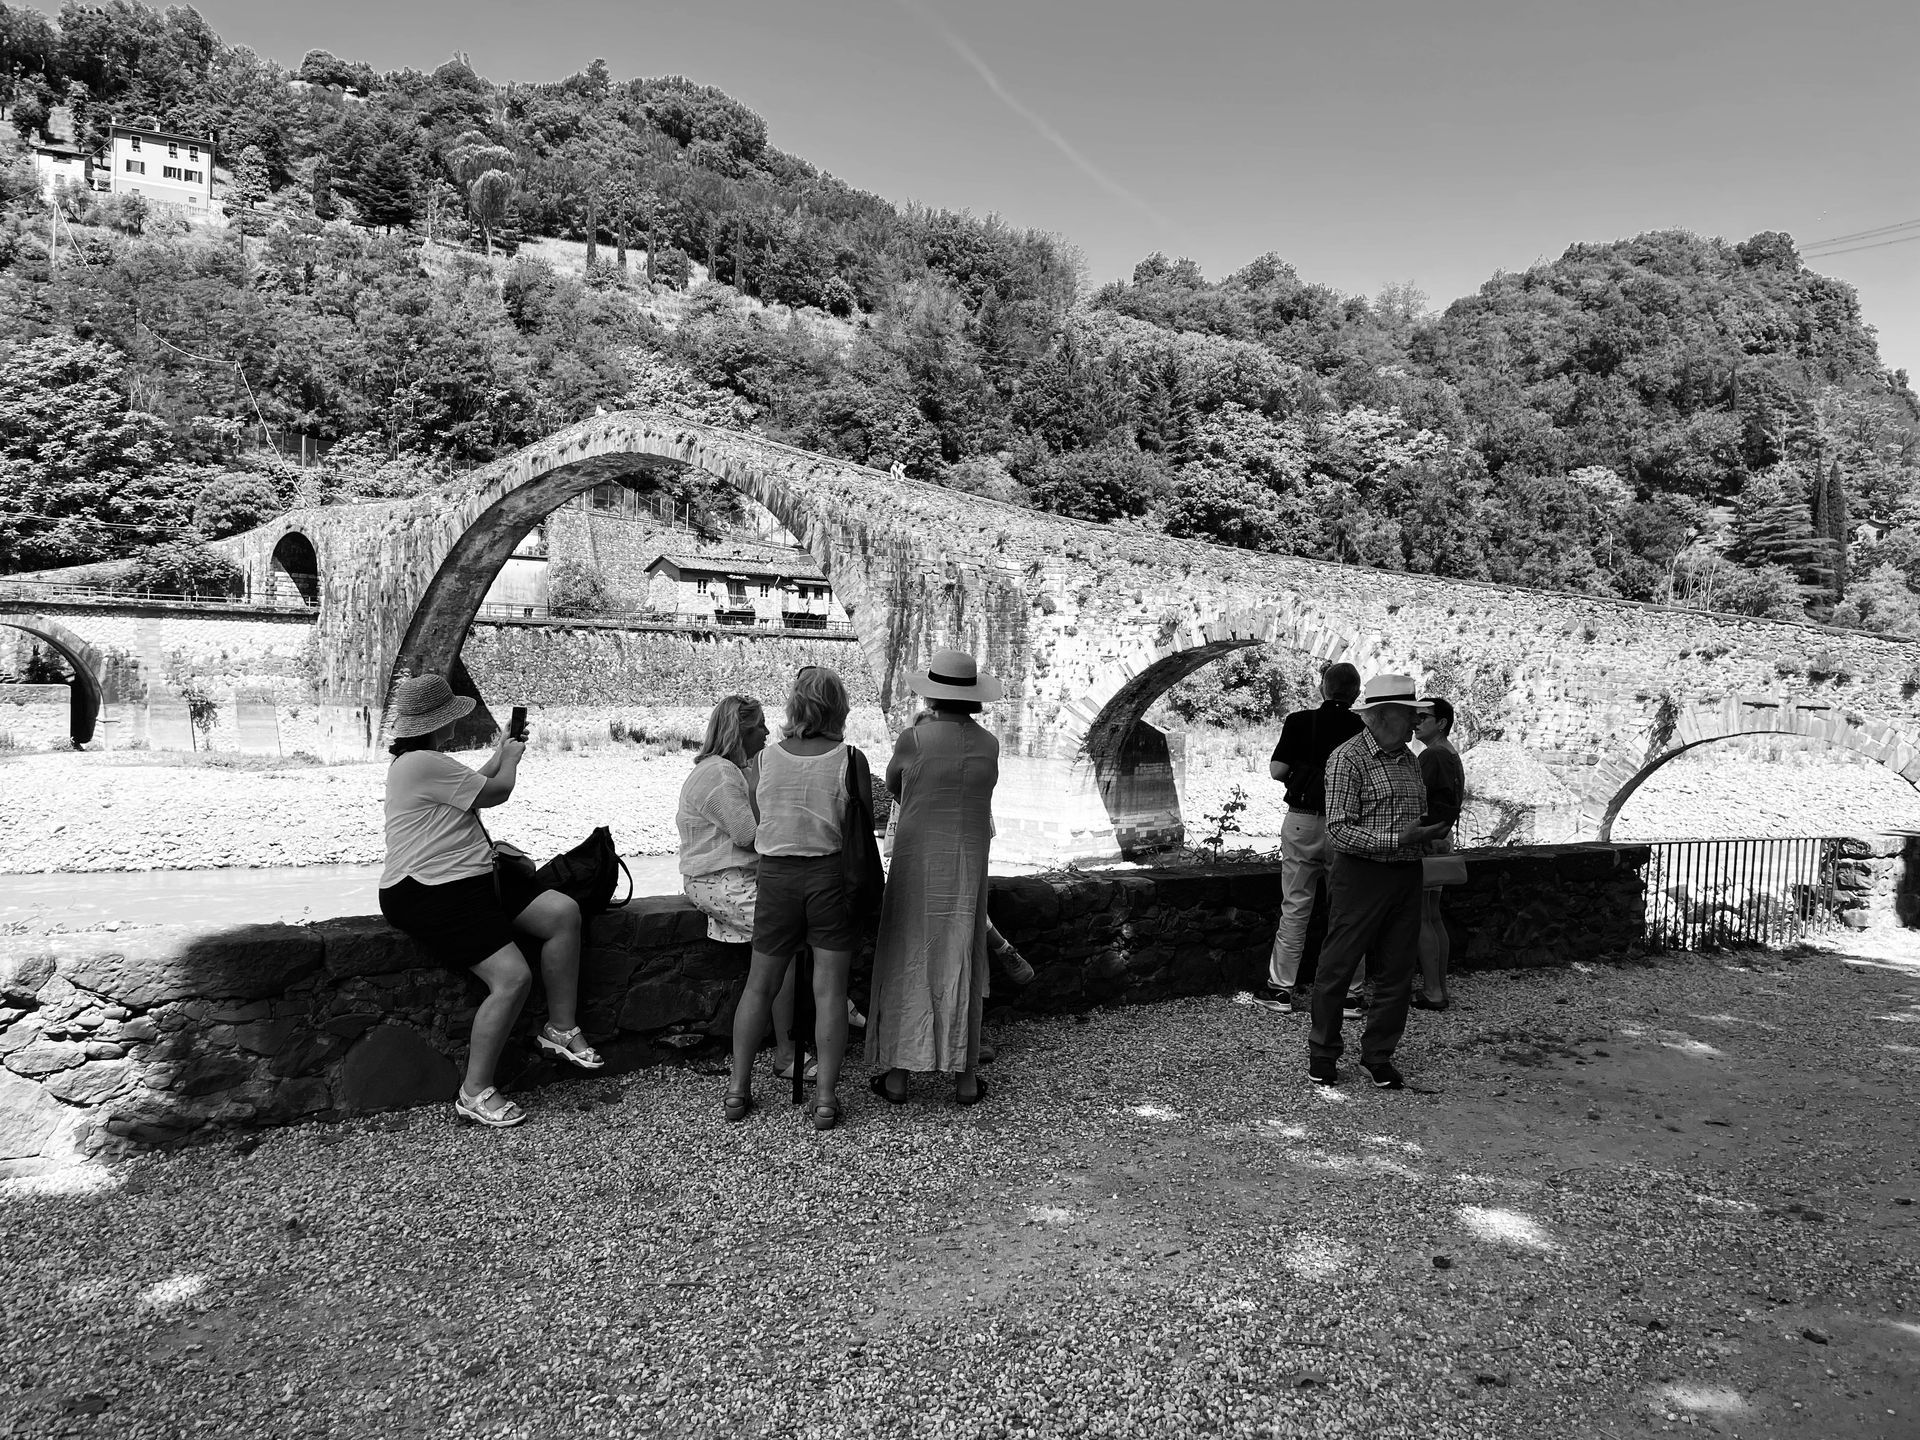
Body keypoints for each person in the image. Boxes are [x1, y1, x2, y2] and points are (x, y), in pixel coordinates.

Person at [376, 674, 602, 1130]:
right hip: (426, 889)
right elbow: (494, 793)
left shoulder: (425, 762)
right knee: (512, 977)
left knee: (562, 914)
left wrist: (500, 751)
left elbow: (472, 786)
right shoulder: (421, 763)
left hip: (469, 880)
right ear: (438, 723)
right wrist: (513, 760)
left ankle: (560, 1028)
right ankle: (474, 1091)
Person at [725, 666, 873, 1130]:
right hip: (831, 878)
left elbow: (758, 814)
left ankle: (737, 1090)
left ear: (795, 706)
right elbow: (863, 823)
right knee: (829, 990)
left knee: (760, 983)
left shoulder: (765, 760)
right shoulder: (851, 759)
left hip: (777, 878)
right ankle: (826, 1099)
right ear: (839, 707)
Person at [867, 651, 1002, 1106]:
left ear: (933, 693)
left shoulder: (914, 740)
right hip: (966, 865)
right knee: (961, 956)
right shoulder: (989, 745)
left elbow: (894, 785)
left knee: (910, 957)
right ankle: (964, 1081)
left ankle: (900, 1077)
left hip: (918, 863)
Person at [1308, 673, 1450, 1089]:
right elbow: (1338, 829)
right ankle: (1323, 1054)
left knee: (1397, 971)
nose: (1415, 724)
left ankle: (1378, 1056)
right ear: (1386, 715)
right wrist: (1398, 839)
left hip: (1406, 874)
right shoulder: (1348, 758)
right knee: (1338, 967)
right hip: (1361, 874)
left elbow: (1412, 817)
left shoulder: (1408, 759)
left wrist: (1428, 839)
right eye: (1411, 715)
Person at [677, 695, 812, 1081]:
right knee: (787, 938)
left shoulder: (723, 769)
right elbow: (747, 835)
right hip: (717, 880)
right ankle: (787, 1052)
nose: (768, 732)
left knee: (784, 940)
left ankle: (786, 1048)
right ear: (741, 731)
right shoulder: (720, 773)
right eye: (760, 727)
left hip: (723, 878)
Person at [1253, 662, 1366, 1017]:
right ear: (1356, 693)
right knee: (1348, 910)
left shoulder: (1301, 721)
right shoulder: (1365, 727)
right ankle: (1349, 995)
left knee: (1296, 906)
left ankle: (1281, 991)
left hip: (1303, 820)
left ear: (1323, 688)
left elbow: (1277, 770)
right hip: (1347, 824)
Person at [1413, 697, 1465, 1011]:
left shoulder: (1432, 755)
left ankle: (1433, 991)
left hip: (1427, 842)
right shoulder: (1450, 753)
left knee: (1423, 917)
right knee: (1433, 916)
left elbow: (1416, 798)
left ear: (1441, 723)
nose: (1416, 721)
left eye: (1424, 717)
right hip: (1441, 841)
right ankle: (1438, 987)